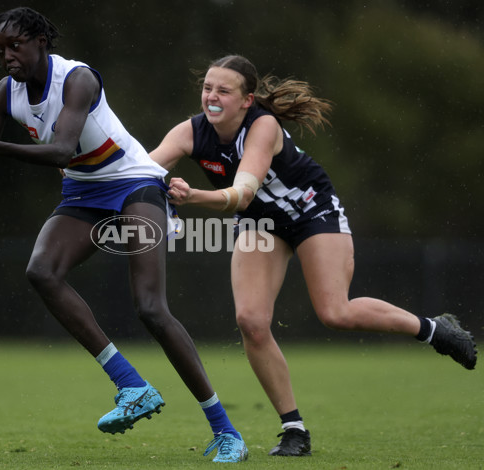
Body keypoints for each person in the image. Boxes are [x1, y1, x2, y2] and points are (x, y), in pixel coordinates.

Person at [0, 9, 248, 463]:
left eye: (16, 45)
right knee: (42, 271)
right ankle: (131, 385)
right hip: (84, 190)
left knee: (151, 308)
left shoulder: (77, 80)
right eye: (0, 49)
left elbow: (59, 148)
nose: (7, 56)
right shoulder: (2, 95)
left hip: (134, 182)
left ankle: (226, 431)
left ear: (40, 42)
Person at [149, 54, 478, 457]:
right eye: (207, 88)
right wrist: (90, 170)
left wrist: (193, 196)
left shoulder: (263, 126)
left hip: (310, 210)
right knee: (251, 321)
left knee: (334, 312)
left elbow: (242, 194)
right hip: (261, 225)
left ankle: (433, 329)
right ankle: (294, 430)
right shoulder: (190, 132)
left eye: (223, 90)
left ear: (247, 100)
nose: (211, 97)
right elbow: (140, 169)